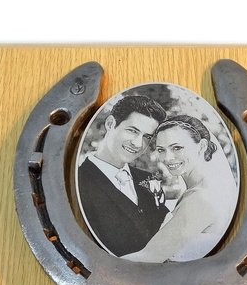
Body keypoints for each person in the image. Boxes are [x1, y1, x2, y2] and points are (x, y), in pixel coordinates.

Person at [121, 115, 235, 263]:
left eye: (177, 148)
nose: (167, 158)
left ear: (202, 146)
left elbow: (149, 257)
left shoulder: (201, 200)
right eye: (161, 150)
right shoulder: (195, 191)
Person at [77, 95, 169, 256]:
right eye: (132, 131)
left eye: (147, 137)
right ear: (110, 123)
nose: (138, 143)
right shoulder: (78, 182)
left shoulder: (148, 179)